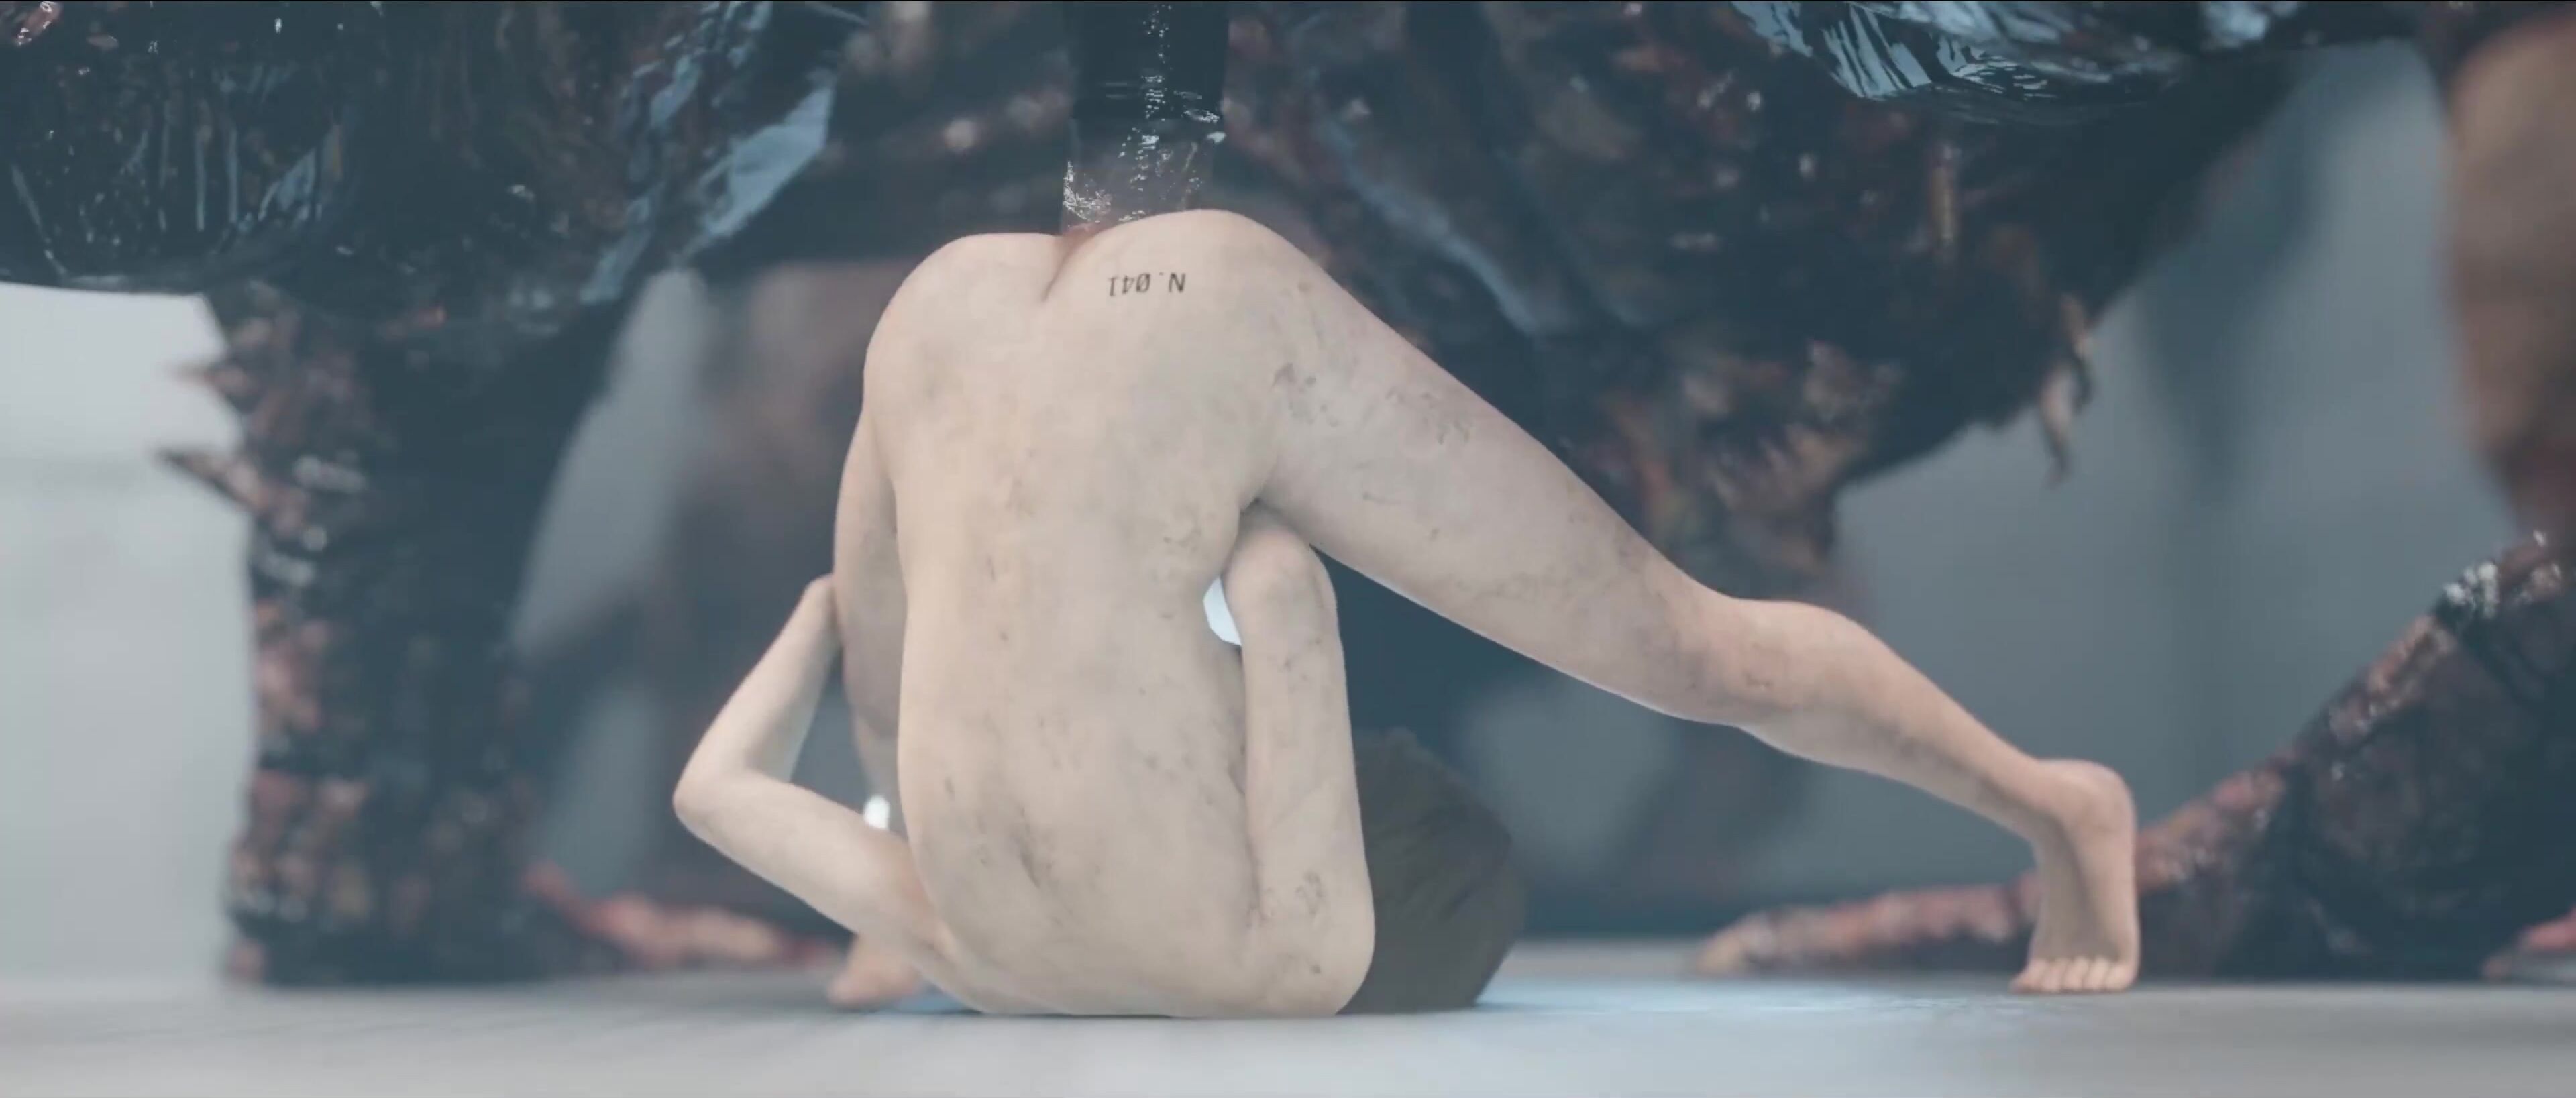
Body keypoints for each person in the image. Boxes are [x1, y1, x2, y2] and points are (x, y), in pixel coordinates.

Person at [672, 3, 2140, 1015]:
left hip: (1165, 309)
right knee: (1685, 642)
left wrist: (898, 905)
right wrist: (896, 903)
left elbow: (880, 648)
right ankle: (2054, 805)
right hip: (1063, 300)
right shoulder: (1003, 936)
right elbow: (870, 642)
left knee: (1694, 645)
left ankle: (2056, 806)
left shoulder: (1219, 949)